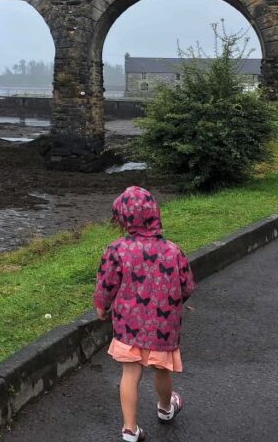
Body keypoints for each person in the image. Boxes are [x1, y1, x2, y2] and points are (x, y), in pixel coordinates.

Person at [94, 185, 195, 442]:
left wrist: (101, 306)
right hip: (163, 324)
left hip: (128, 325)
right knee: (162, 369)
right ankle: (165, 408)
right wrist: (175, 302)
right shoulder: (173, 251)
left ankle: (130, 428)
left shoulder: (117, 250)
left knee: (130, 372)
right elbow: (187, 286)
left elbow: (107, 283)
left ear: (124, 218)